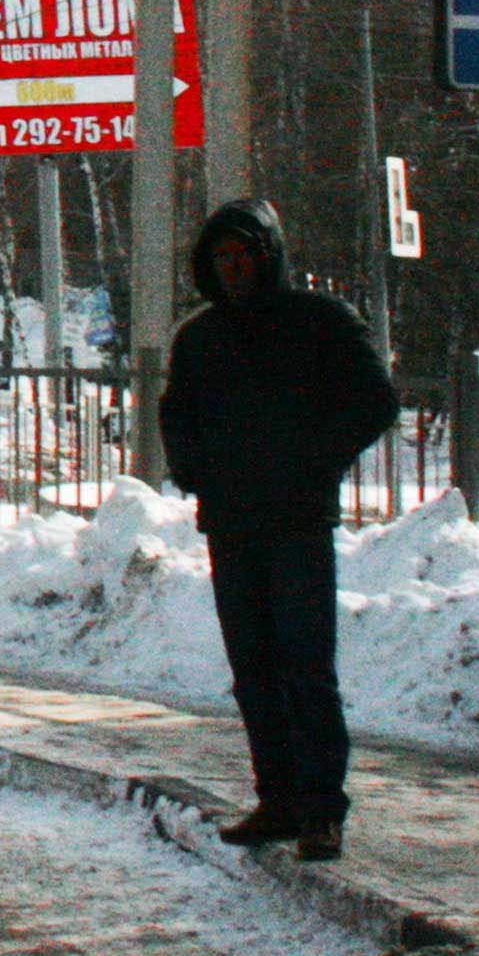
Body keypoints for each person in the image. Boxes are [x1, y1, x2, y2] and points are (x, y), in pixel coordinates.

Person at [157, 197, 399, 863]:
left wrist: (315, 461)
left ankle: (322, 809)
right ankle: (277, 799)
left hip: (296, 520)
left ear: (270, 256)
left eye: (245, 255)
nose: (234, 268)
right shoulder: (200, 337)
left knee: (305, 666)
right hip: (232, 522)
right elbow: (176, 414)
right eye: (223, 259)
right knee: (253, 667)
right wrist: (195, 469)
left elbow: (375, 400)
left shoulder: (319, 322)